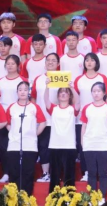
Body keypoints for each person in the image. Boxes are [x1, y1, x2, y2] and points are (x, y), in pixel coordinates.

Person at [74, 53, 107, 182]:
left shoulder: (102, 78)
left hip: (100, 118)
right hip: (83, 118)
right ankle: (86, 172)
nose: (89, 62)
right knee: (84, 146)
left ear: (96, 62)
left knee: (99, 147)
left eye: (92, 60)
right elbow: (75, 98)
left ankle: (100, 173)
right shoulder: (79, 79)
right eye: (87, 60)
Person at [6, 81, 46, 194]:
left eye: (25, 90)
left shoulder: (34, 107)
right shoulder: (12, 107)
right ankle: (13, 198)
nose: (22, 92)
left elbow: (43, 123)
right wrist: (14, 133)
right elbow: (7, 123)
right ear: (17, 92)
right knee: (14, 173)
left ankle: (27, 198)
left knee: (28, 173)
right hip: (14, 145)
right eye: (20, 90)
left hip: (30, 145)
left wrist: (34, 134)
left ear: (29, 92)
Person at [0, 55, 27, 183]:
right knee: (4, 146)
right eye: (8, 64)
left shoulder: (23, 80)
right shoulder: (0, 81)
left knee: (19, 146)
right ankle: (6, 172)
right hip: (3, 118)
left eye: (13, 63)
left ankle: (19, 173)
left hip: (18, 116)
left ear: (18, 65)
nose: (10, 66)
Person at [81, 82, 107, 202]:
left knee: (103, 172)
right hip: (89, 144)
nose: (96, 93)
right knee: (91, 173)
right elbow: (83, 127)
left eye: (99, 91)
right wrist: (82, 142)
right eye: (94, 91)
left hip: (104, 144)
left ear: (104, 93)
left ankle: (101, 198)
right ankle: (92, 198)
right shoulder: (87, 108)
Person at [30, 53, 61, 182]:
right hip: (42, 120)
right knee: (43, 146)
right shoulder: (38, 79)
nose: (50, 62)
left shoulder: (61, 78)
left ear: (58, 64)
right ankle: (45, 173)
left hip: (58, 120)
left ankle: (57, 173)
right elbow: (33, 98)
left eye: (54, 60)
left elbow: (67, 97)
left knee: (57, 148)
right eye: (48, 60)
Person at [45, 81, 80, 192]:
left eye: (66, 92)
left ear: (70, 96)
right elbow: (46, 100)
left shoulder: (72, 109)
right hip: (55, 145)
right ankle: (53, 197)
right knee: (54, 174)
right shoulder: (53, 108)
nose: (63, 94)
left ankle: (70, 197)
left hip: (69, 146)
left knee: (69, 174)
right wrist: (47, 86)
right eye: (61, 92)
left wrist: (72, 88)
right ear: (58, 96)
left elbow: (78, 101)